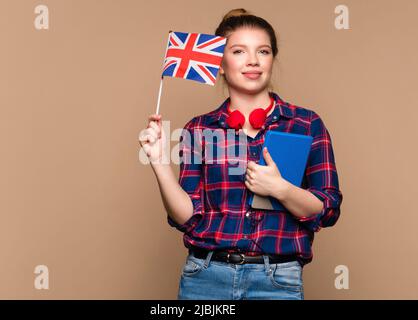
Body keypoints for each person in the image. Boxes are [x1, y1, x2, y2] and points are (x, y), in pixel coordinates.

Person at [138, 8, 343, 300]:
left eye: (263, 51)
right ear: (220, 63)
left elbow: (328, 208)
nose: (253, 61)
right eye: (238, 51)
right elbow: (187, 218)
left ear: (273, 58)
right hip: (205, 278)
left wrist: (281, 189)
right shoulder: (199, 129)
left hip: (277, 282)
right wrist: (159, 163)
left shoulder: (306, 124)